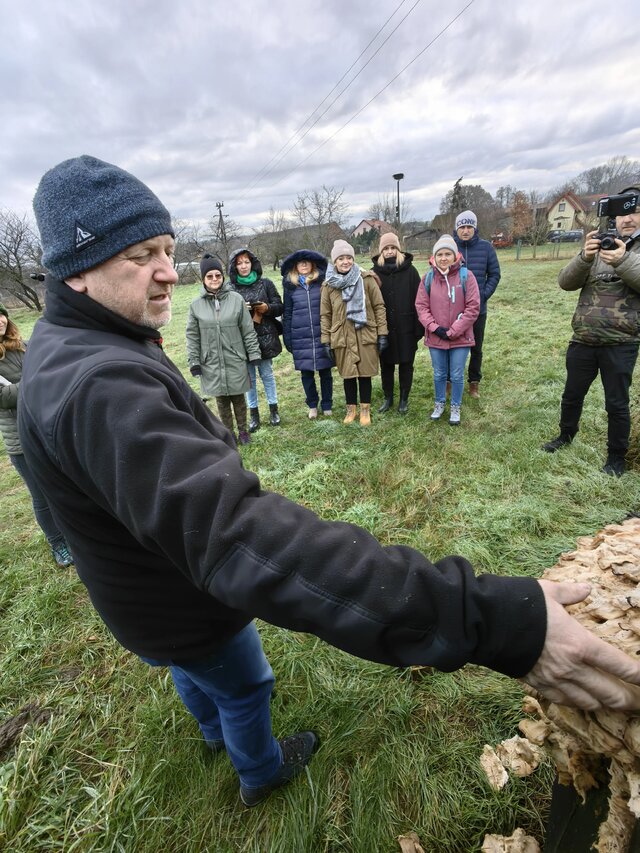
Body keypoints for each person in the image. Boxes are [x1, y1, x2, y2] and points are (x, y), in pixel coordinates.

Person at [20, 158, 640, 813]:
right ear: (77, 267)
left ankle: (209, 730)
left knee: (191, 672)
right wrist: (488, 619)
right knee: (242, 681)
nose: (169, 270)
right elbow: (242, 538)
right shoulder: (98, 384)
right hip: (183, 602)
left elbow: (55, 481)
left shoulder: (70, 343)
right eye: (141, 254)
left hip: (140, 601)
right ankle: (260, 769)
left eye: (168, 250)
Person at [542, 187, 640, 476]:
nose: (628, 219)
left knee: (616, 403)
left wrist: (622, 260)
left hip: (621, 342)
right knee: (572, 394)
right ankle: (565, 435)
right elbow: (565, 282)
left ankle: (616, 457)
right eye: (622, 213)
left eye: (634, 212)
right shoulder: (598, 245)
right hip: (584, 338)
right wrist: (584, 257)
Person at [0, 303, 73, 567]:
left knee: (64, 485)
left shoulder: (24, 345)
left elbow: (52, 368)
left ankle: (74, 534)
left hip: (47, 429)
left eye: (1, 314)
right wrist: (37, 378)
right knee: (41, 495)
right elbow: (4, 398)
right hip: (21, 439)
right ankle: (58, 543)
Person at [186, 255, 261, 446]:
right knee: (221, 400)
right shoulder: (196, 305)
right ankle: (229, 434)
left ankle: (243, 431)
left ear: (222, 276)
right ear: (203, 279)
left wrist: (254, 354)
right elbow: (192, 336)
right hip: (211, 360)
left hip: (234, 357)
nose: (214, 279)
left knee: (238, 397)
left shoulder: (236, 299)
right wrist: (194, 361)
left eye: (217, 275)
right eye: (209, 276)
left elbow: (248, 330)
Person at [320, 240, 388, 426]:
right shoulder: (328, 286)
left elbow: (379, 307)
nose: (345, 262)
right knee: (348, 374)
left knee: (364, 373)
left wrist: (382, 334)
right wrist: (326, 340)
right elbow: (325, 315)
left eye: (349, 257)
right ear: (335, 261)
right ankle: (351, 409)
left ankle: (365, 409)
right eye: (341, 258)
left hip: (365, 333)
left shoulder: (366, 279)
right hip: (341, 336)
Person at [415, 235, 480, 425]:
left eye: (447, 254)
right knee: (439, 373)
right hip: (437, 337)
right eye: (440, 254)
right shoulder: (427, 278)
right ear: (434, 257)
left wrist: (453, 331)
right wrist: (435, 328)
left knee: (458, 374)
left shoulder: (467, 276)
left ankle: (455, 406)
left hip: (461, 337)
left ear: (455, 256)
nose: (443, 258)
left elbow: (473, 307)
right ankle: (439, 403)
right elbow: (421, 306)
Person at [228, 248, 283, 432]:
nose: (243, 266)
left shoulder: (265, 284)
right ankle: (254, 415)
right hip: (242, 340)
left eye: (246, 262)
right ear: (234, 267)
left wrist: (267, 308)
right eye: (239, 263)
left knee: (267, 374)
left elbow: (279, 306)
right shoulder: (230, 288)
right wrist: (239, 310)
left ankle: (274, 410)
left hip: (266, 336)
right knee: (249, 379)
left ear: (252, 263)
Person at [371, 232, 423, 415]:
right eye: (386, 248)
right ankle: (388, 397)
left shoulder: (411, 271)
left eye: (393, 248)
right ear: (381, 252)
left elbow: (419, 301)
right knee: (386, 365)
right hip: (384, 329)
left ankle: (403, 398)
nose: (390, 251)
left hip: (406, 327)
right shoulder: (374, 273)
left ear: (398, 250)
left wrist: (418, 330)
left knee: (406, 364)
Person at [453, 210, 501, 398]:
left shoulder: (486, 248)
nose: (465, 231)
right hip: (454, 309)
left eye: (469, 227)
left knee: (476, 347)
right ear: (456, 229)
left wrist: (483, 295)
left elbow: (494, 274)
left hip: (478, 310)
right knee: (453, 345)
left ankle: (474, 382)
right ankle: (450, 380)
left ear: (475, 228)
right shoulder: (451, 247)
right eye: (462, 227)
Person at [281, 250, 333, 418]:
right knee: (306, 374)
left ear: (313, 264)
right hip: (300, 335)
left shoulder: (323, 282)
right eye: (300, 262)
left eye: (307, 261)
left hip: (321, 333)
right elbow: (287, 313)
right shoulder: (290, 286)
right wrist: (288, 336)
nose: (303, 264)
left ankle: (327, 404)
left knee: (325, 372)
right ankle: (312, 405)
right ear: (295, 265)